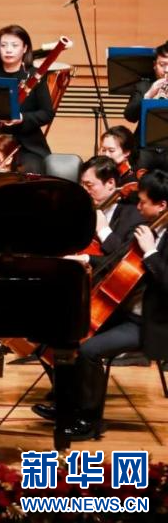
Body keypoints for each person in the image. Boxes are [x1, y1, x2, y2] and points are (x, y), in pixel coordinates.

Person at [32, 169, 168, 440]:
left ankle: (89, 420)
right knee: (64, 333)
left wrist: (151, 252)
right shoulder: (150, 227)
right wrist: (86, 260)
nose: (138, 207)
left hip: (150, 322)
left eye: (143, 202)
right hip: (125, 312)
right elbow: (116, 262)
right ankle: (67, 405)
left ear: (162, 204)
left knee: (89, 350)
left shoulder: (152, 237)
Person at [0, 25, 54, 174]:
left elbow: (47, 113)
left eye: (14, 45)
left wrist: (22, 118)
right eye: (3, 45)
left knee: (29, 171)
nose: (8, 50)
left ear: (25, 48)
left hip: (27, 144)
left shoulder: (35, 75)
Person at [123, 41, 168, 173]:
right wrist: (148, 95)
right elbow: (130, 116)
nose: (166, 70)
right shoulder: (143, 87)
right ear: (154, 65)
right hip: (144, 150)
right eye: (162, 65)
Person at [98, 125, 138, 192]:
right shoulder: (102, 172)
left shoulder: (131, 179)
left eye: (111, 150)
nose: (106, 155)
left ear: (126, 152)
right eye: (104, 150)